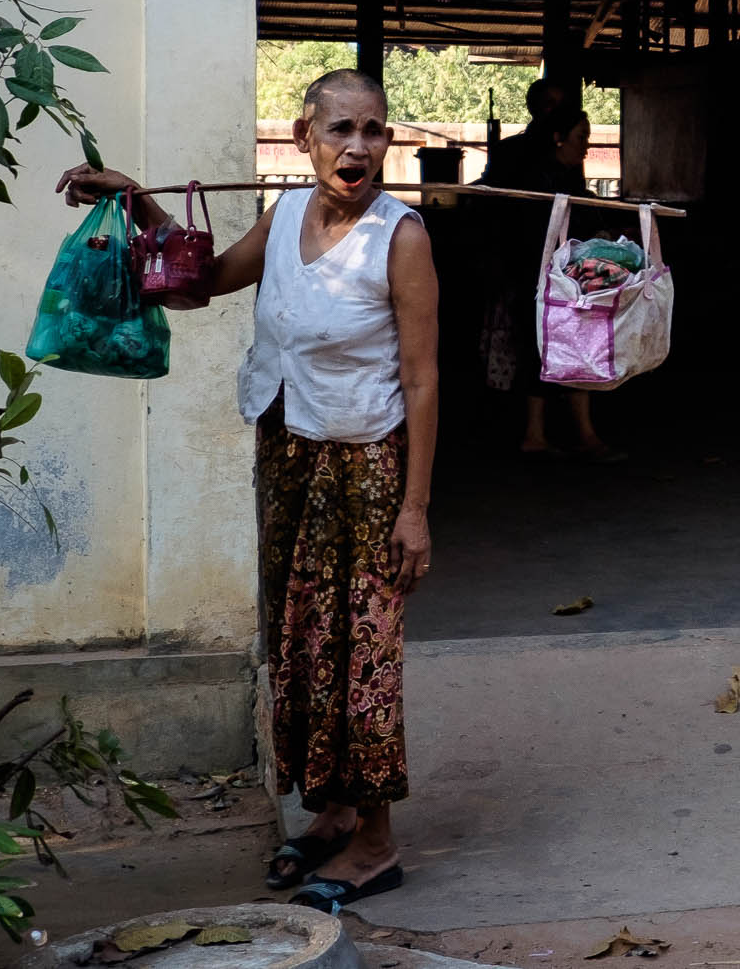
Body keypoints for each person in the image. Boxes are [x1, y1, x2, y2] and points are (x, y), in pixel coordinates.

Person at [56, 69, 438, 913]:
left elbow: (421, 379)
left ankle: (376, 844)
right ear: (305, 135)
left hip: (364, 470)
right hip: (290, 452)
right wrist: (139, 202)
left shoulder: (400, 236)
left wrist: (414, 509)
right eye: (341, 128)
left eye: (374, 131)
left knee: (359, 653)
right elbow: (201, 281)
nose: (358, 148)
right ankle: (337, 810)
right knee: (302, 639)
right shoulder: (287, 215)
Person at [478, 104, 624, 460]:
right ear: (558, 139)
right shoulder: (536, 181)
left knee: (568, 350)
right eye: (581, 138)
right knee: (541, 351)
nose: (586, 146)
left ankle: (566, 433)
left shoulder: (568, 178)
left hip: (564, 281)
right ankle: (540, 435)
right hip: (538, 279)